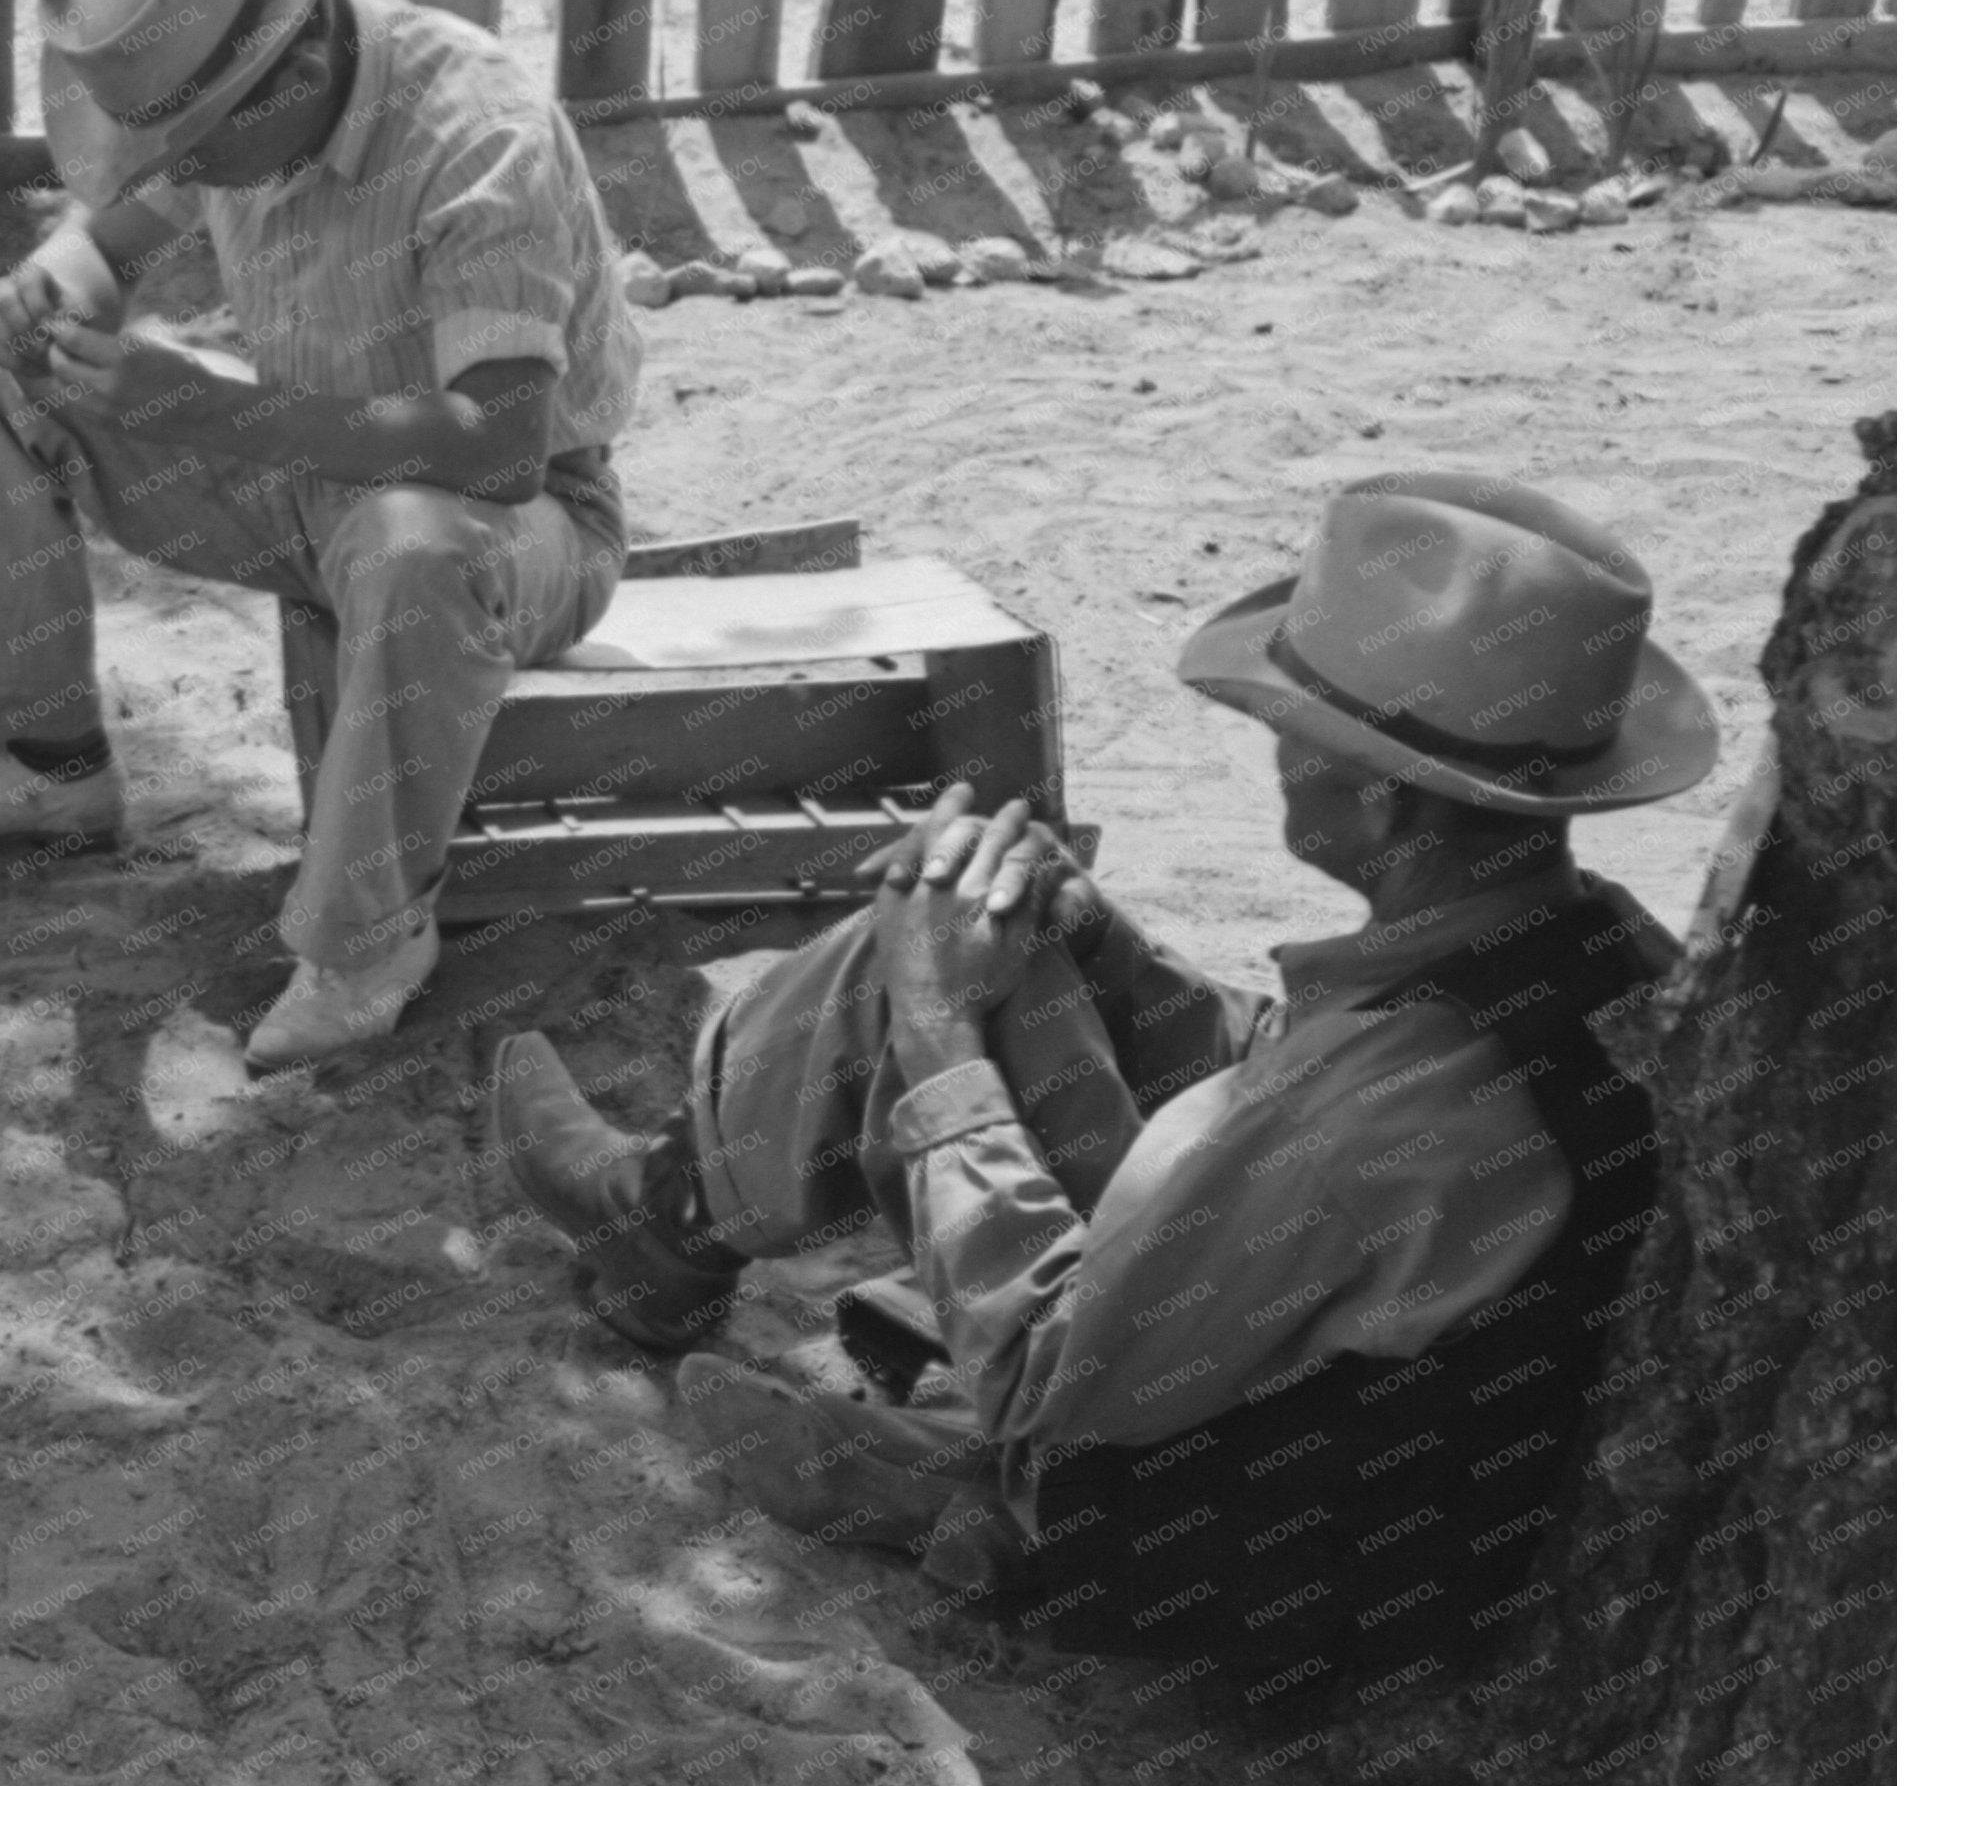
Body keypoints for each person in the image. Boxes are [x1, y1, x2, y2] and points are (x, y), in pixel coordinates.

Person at [487, 471, 1720, 1694]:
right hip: (1393, 1468)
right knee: (995, 934)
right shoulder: (1602, 947)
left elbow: (1046, 1378)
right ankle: (693, 1237)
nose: (1278, 758)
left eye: (1294, 734)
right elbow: (1284, 1064)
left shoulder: (1366, 1118)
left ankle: (737, 1291)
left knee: (917, 951)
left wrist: (934, 1020)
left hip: (1235, 1541)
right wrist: (1109, 956)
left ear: (1378, 793)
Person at [0, 0, 642, 1072]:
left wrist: (207, 410)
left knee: (409, 533)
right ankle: (48, 767)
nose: (179, 172)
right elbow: (101, 241)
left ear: (289, 67)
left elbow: (498, 449)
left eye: (193, 143)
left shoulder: (476, 132)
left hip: (515, 521)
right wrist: (46, 287)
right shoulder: (228, 73)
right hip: (311, 470)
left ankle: (369, 938)